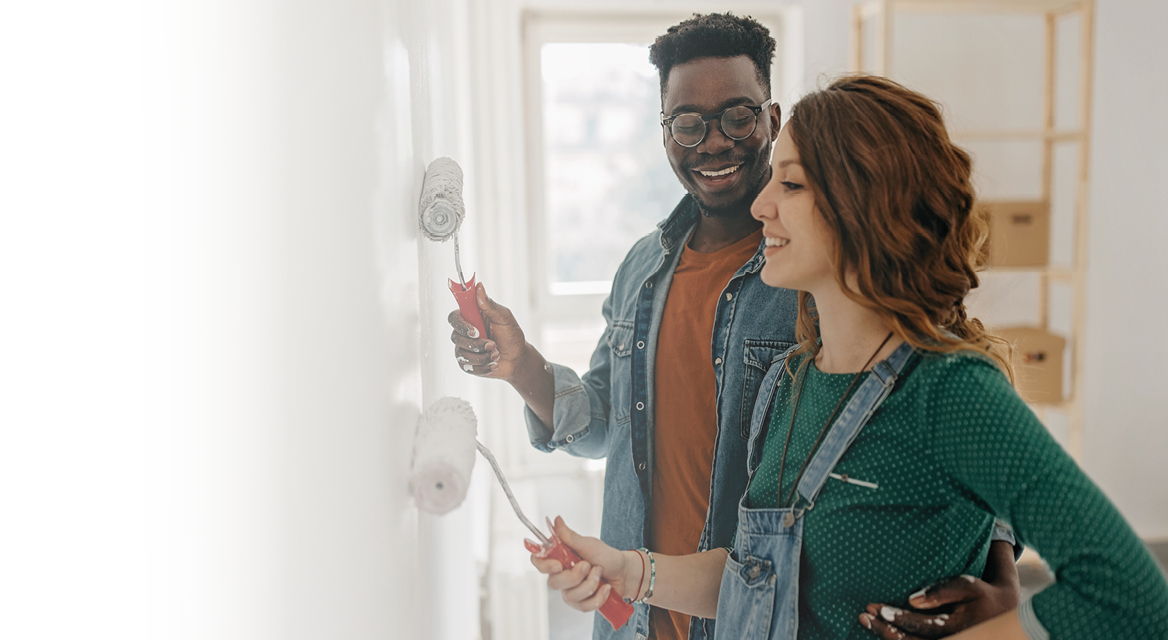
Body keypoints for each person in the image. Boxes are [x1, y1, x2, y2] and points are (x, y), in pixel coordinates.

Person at [528, 74, 1168, 640]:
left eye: (793, 183)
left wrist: (1002, 625)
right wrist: (630, 570)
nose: (760, 206)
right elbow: (759, 574)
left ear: (866, 204)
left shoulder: (947, 391)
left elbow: (1132, 596)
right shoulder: (790, 381)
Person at [449, 13, 1019, 640]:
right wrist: (522, 364)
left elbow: (937, 403)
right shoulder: (641, 269)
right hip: (637, 610)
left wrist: (1002, 581)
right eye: (687, 123)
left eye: (738, 117)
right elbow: (609, 425)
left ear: (772, 121)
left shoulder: (816, 270)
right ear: (665, 133)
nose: (713, 142)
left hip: (754, 618)